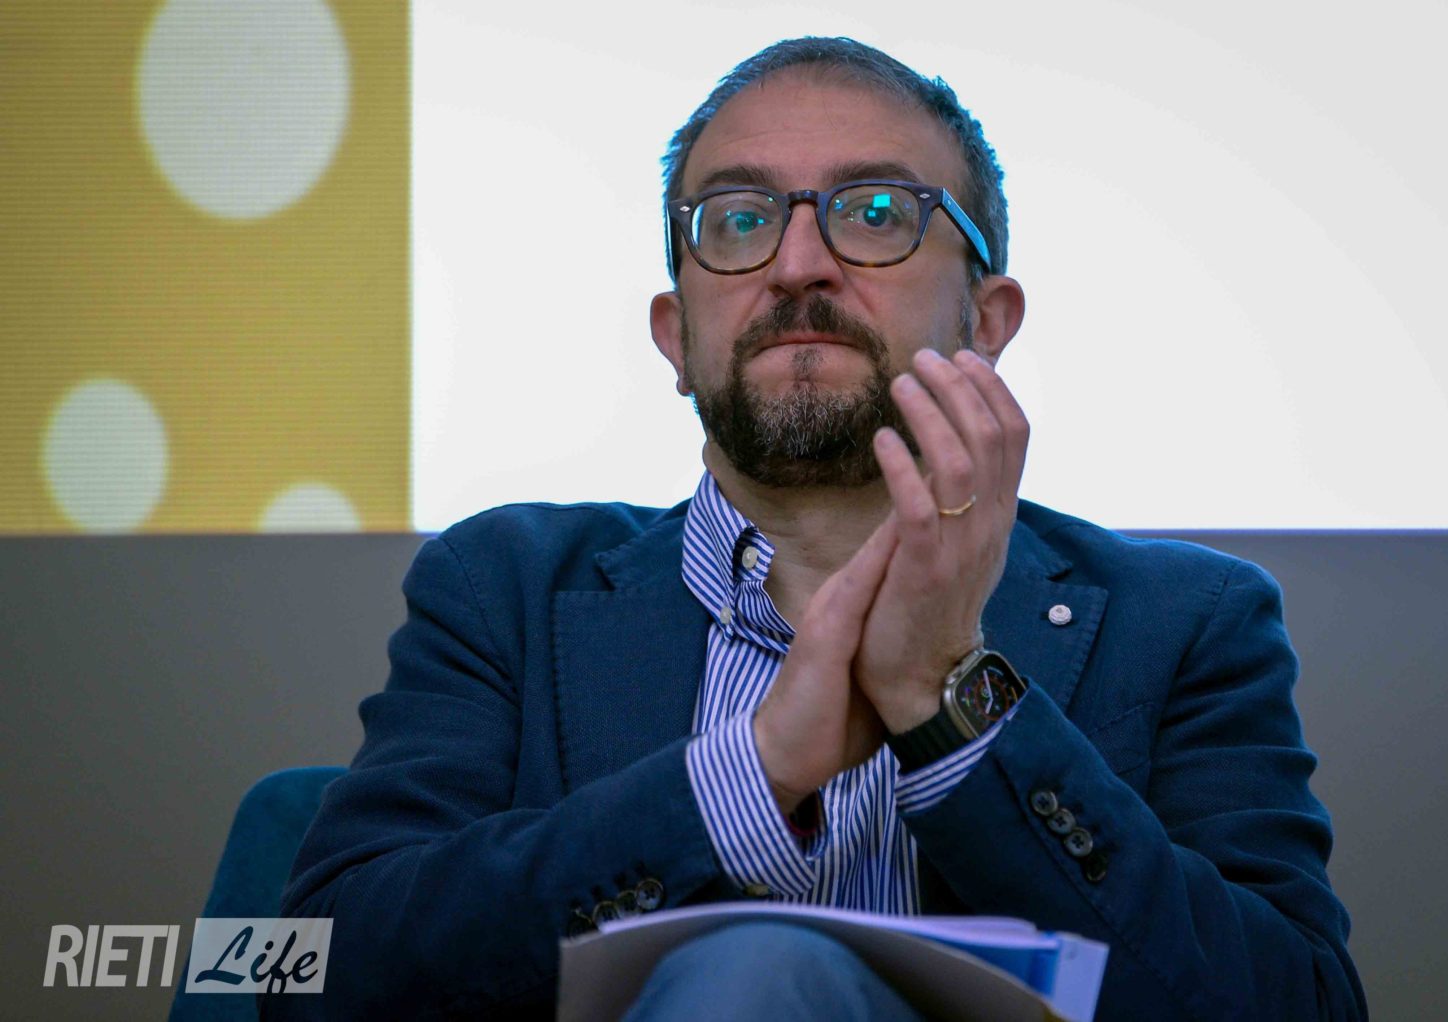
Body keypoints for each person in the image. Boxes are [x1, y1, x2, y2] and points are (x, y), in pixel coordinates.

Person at [270, 37, 1367, 1020]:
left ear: (987, 321)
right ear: (676, 337)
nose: (798, 265)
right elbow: (303, 972)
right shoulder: (501, 585)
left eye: (876, 212)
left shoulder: (1188, 619)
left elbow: (1300, 1003)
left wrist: (952, 701)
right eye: (740, 220)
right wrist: (747, 776)